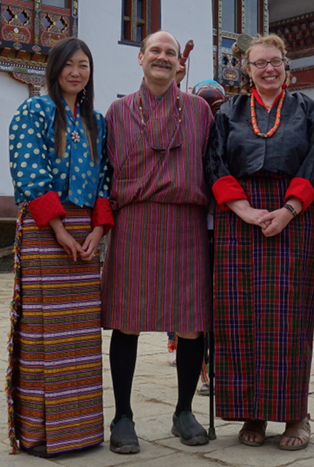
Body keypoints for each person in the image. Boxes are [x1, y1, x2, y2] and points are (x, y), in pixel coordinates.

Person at [206, 33, 314, 450]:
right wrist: (243, 210)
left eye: (275, 61)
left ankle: (296, 414)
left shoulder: (307, 110)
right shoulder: (229, 112)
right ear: (247, 69)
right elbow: (215, 162)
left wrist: (290, 209)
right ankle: (252, 411)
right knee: (239, 316)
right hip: (239, 217)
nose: (268, 69)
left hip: (291, 216)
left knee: (289, 317)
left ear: (286, 66)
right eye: (259, 63)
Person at [100, 30, 214, 454]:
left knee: (190, 322)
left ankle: (184, 410)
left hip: (185, 223)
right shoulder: (117, 111)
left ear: (178, 64)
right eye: (155, 51)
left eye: (170, 53)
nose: (163, 58)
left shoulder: (201, 111)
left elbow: (213, 165)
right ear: (141, 59)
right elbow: (104, 171)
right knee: (127, 321)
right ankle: (123, 416)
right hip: (135, 223)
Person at [6, 37, 113, 457]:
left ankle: (82, 432)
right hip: (44, 229)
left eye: (84, 64)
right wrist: (59, 230)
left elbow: (106, 179)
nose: (76, 72)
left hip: (86, 233)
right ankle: (42, 435)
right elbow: (29, 170)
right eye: (68, 64)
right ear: (54, 69)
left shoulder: (97, 122)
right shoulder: (33, 111)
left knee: (81, 336)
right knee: (44, 332)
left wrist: (97, 232)